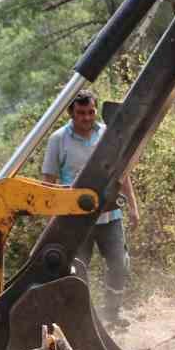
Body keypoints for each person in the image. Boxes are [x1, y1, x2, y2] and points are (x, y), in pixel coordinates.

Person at [40, 92, 139, 322]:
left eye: (91, 112)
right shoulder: (58, 139)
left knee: (119, 264)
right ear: (71, 113)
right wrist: (51, 219)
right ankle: (84, 321)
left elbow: (121, 174)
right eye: (81, 113)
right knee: (77, 270)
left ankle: (112, 314)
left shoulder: (107, 134)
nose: (86, 117)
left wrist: (133, 206)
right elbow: (49, 180)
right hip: (73, 219)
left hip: (109, 215)